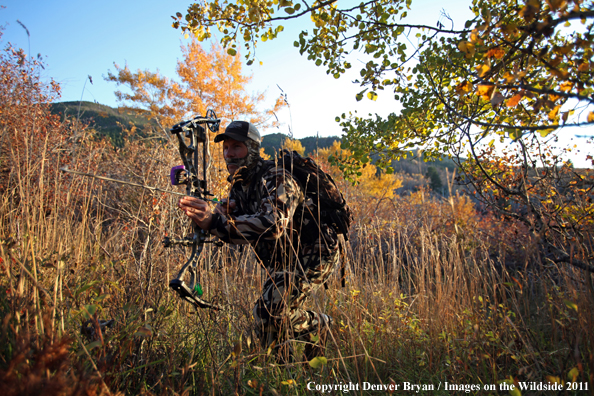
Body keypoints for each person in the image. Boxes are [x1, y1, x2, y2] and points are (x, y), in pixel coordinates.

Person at [178, 120, 340, 361]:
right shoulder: (240, 186)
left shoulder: (276, 177)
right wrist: (217, 215)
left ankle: (317, 328)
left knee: (268, 313)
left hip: (313, 254)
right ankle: (285, 374)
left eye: (236, 147)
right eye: (226, 148)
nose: (229, 154)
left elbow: (273, 224)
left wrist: (214, 222)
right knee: (275, 317)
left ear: (252, 149)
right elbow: (238, 223)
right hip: (281, 259)